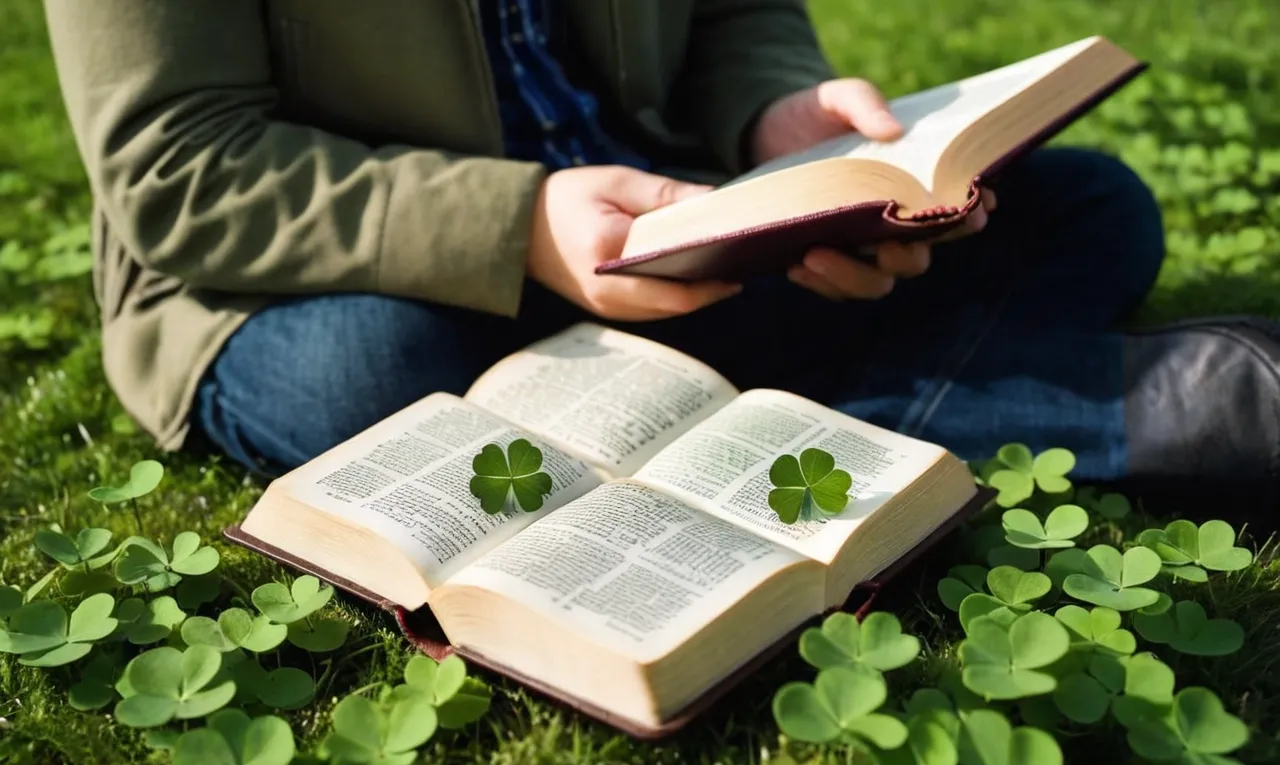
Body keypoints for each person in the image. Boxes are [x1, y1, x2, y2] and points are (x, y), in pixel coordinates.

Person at [44, 1, 1277, 520]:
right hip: (320, 282)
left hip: (658, 204)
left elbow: (737, 19)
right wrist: (516, 226)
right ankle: (1075, 407)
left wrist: (776, 122)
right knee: (378, 381)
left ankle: (667, 413)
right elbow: (176, 165)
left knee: (1086, 206)